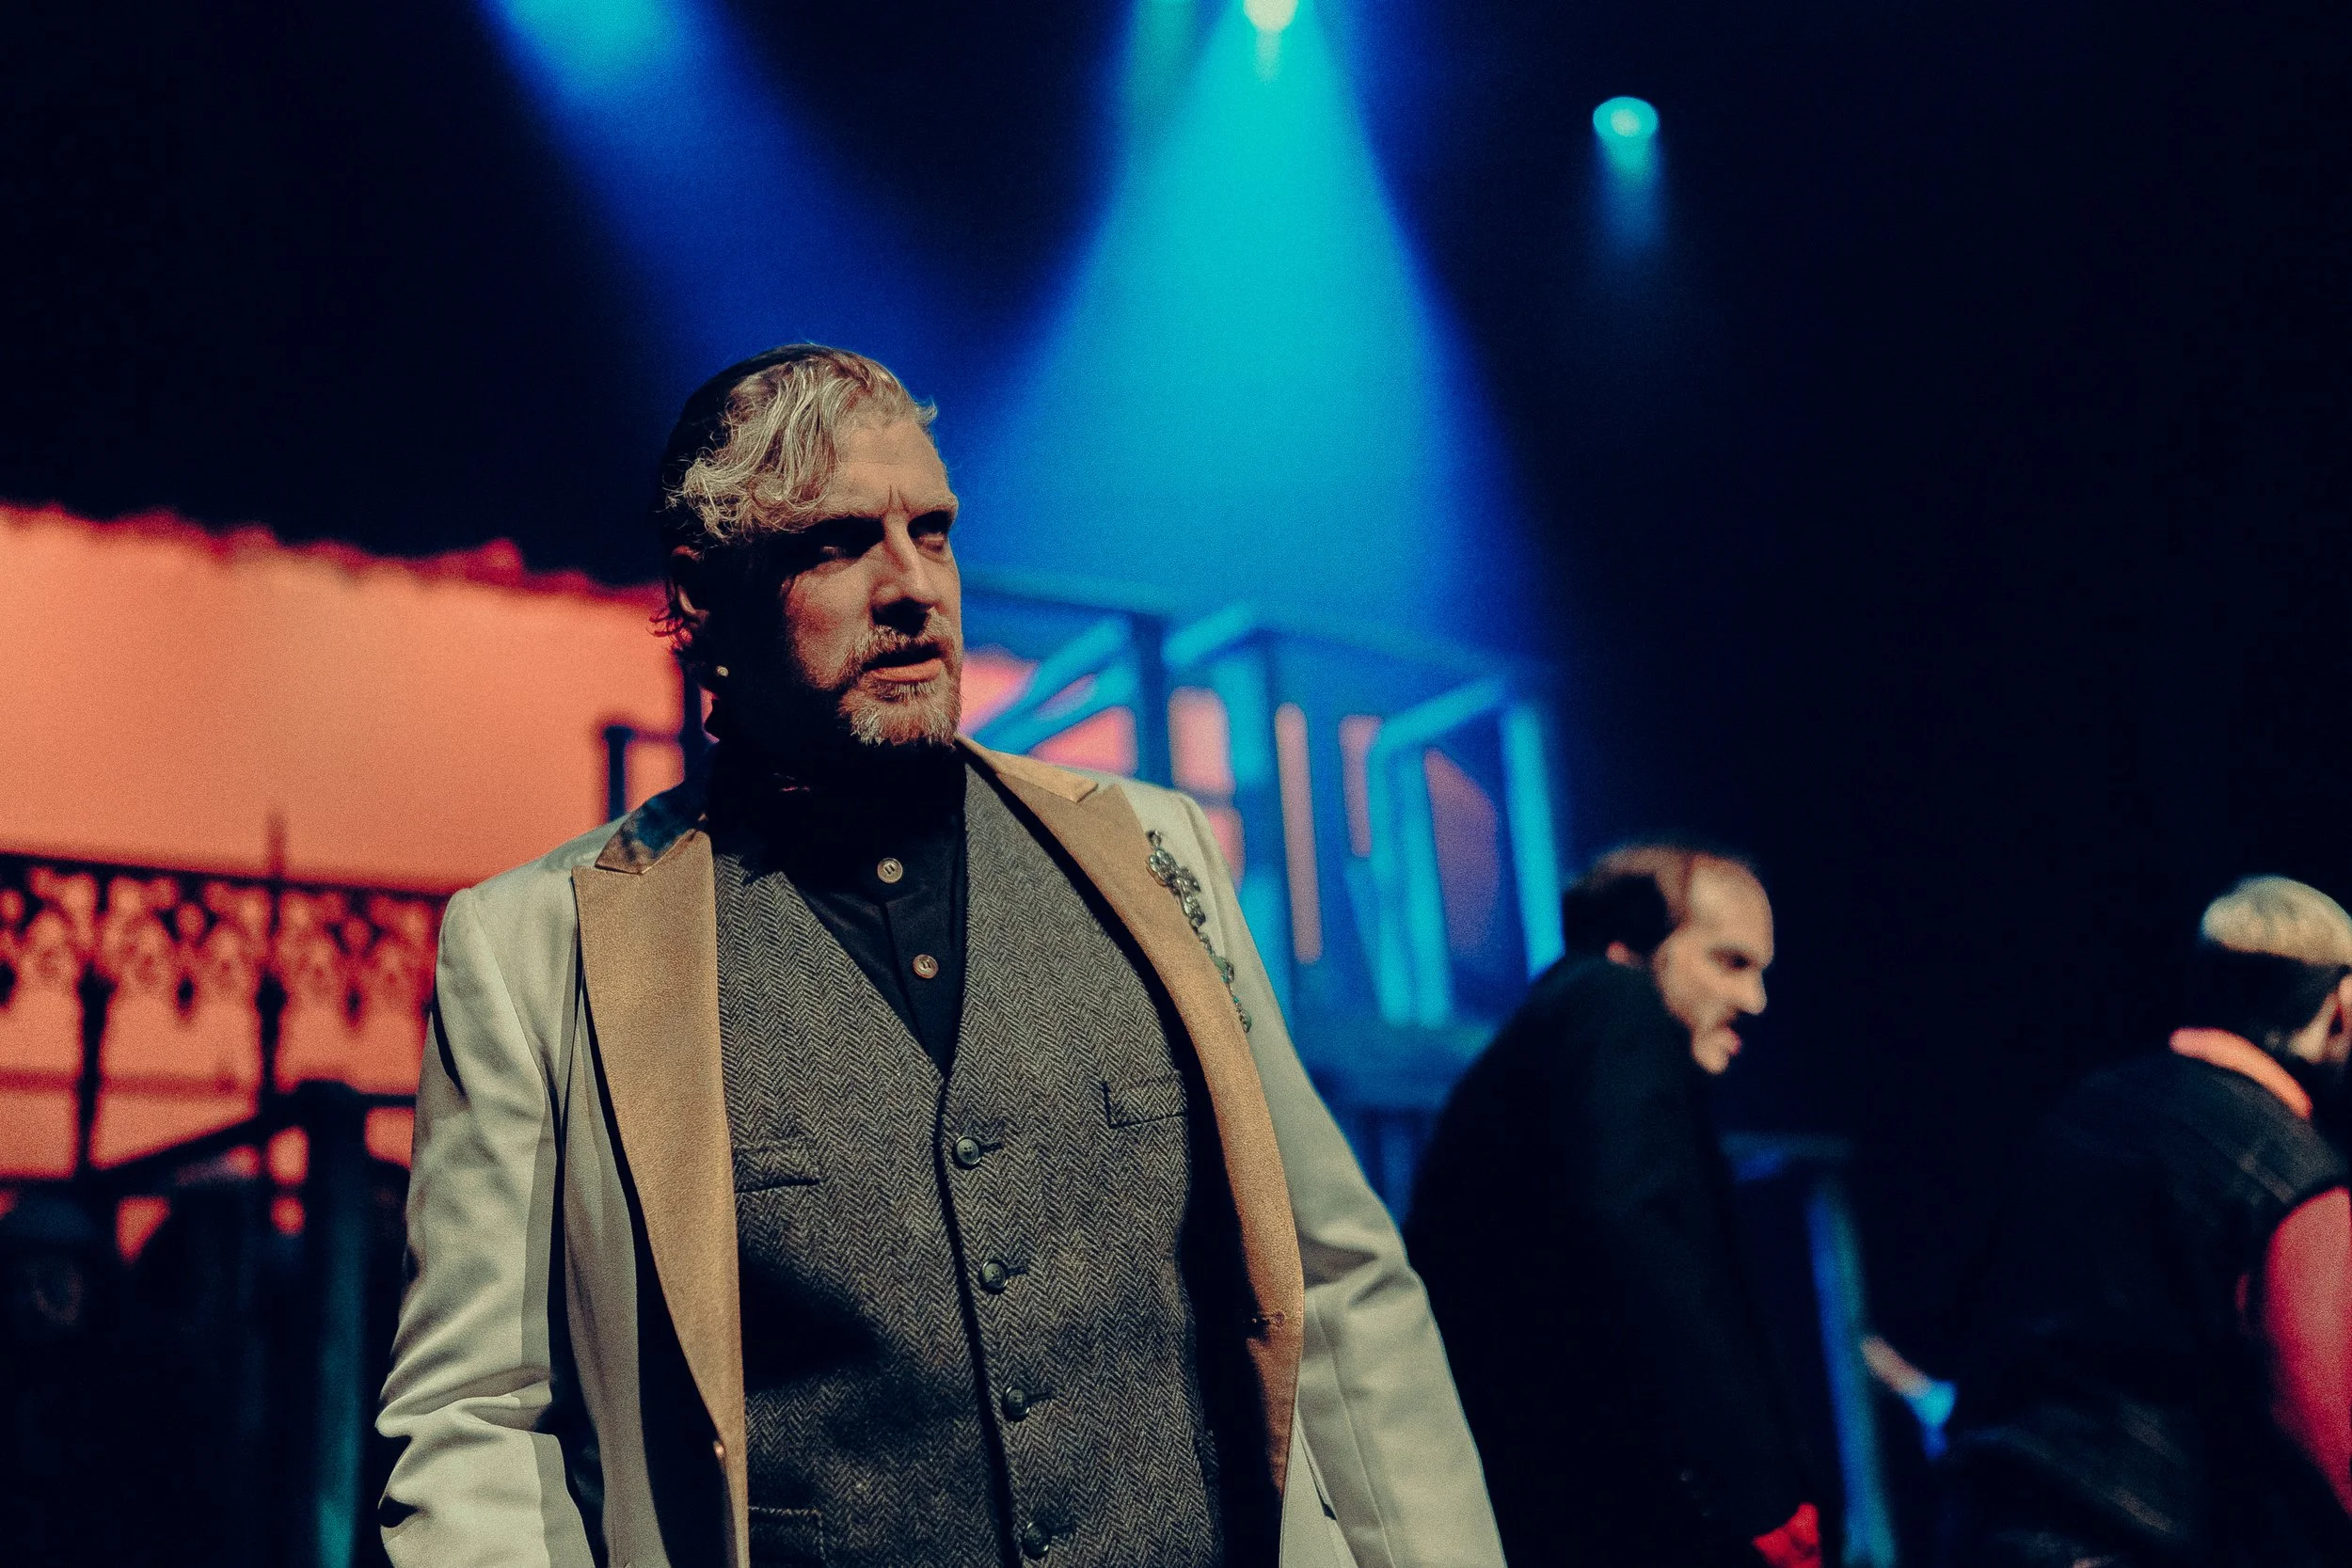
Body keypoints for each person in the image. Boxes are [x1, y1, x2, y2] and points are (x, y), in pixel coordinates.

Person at [375, 344, 1502, 1568]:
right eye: (836, 542)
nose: (911, 585)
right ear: (700, 597)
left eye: (935, 531)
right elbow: (476, 1413)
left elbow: (1334, 1281)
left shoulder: (1152, 851)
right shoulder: (539, 947)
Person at [1406, 844, 1822, 1568]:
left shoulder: (1550, 1040)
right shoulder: (1613, 997)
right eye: (1729, 962)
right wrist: (1759, 1496)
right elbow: (1635, 1220)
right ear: (1630, 947)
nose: (1756, 1000)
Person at [1944, 875, 2352, 1567]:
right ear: (2340, 1006)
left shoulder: (2080, 1111)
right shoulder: (2293, 1173)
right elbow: (2325, 1426)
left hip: (1984, 1531)